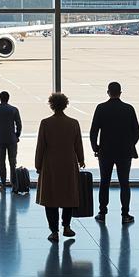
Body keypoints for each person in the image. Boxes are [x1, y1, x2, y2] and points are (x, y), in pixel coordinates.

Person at [34, 92, 84, 243]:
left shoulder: (46, 123)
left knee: (51, 199)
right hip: (69, 163)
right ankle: (67, 226)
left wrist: (38, 164)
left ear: (51, 105)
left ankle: (54, 231)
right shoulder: (73, 123)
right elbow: (78, 144)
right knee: (68, 196)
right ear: (65, 105)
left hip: (50, 164)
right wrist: (81, 160)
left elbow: (41, 146)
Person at [89, 81, 139, 225]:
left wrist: (96, 148)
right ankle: (125, 214)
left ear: (108, 92)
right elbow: (136, 131)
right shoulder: (128, 109)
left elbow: (94, 131)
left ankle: (102, 212)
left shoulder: (101, 108)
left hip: (106, 152)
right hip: (124, 152)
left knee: (104, 182)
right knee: (125, 183)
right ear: (120, 92)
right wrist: (130, 144)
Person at [0, 90, 22, 192]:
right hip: (12, 139)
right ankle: (14, 185)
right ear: (8, 98)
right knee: (12, 162)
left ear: (0, 98)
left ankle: (3, 185)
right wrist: (17, 135)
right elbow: (19, 124)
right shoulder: (14, 110)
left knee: (1, 162)